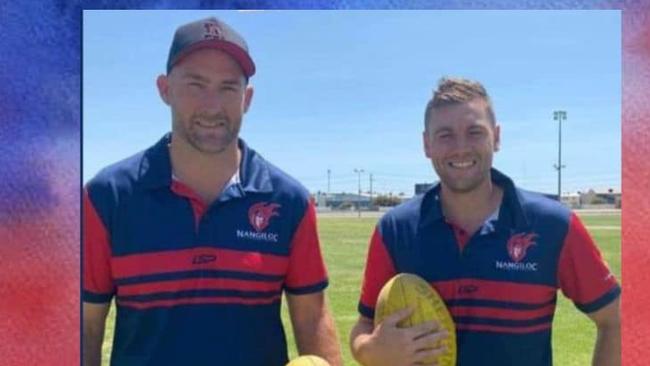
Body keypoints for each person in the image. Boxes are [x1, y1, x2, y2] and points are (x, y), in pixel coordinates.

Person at [83, 16, 342, 366]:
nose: (212, 105)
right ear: (164, 89)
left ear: (247, 98)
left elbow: (312, 318)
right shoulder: (106, 197)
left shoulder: (289, 201)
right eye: (196, 84)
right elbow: (85, 325)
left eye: (228, 87)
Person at [349, 77, 621, 366]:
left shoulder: (553, 224)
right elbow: (364, 324)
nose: (461, 148)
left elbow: (615, 318)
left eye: (474, 132)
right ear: (426, 144)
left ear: (497, 137)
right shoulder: (395, 230)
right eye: (445, 135)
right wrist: (371, 350)